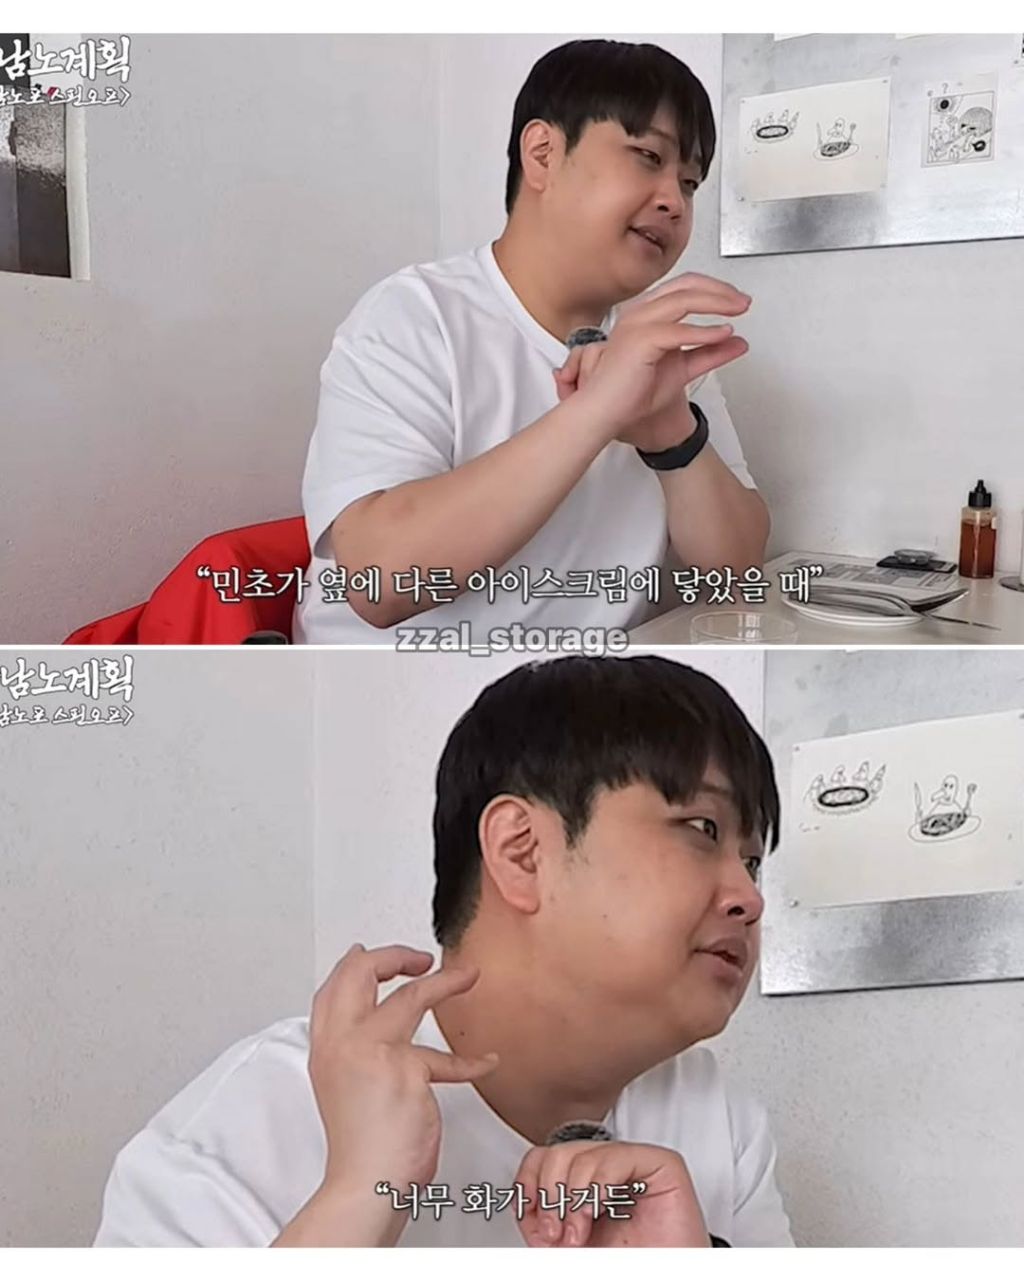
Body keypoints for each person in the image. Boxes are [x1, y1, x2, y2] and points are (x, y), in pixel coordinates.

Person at [93, 655, 794, 1247]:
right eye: (703, 828)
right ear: (522, 853)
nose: (750, 897)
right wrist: (359, 1191)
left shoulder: (717, 1123)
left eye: (753, 862)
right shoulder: (252, 1125)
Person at [294, 39, 770, 644]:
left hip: (588, 686)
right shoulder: (415, 316)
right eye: (649, 157)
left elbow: (735, 575)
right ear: (543, 153)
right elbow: (379, 582)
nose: (674, 202)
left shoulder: (660, 349)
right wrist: (599, 410)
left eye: (690, 182)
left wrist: (673, 437)